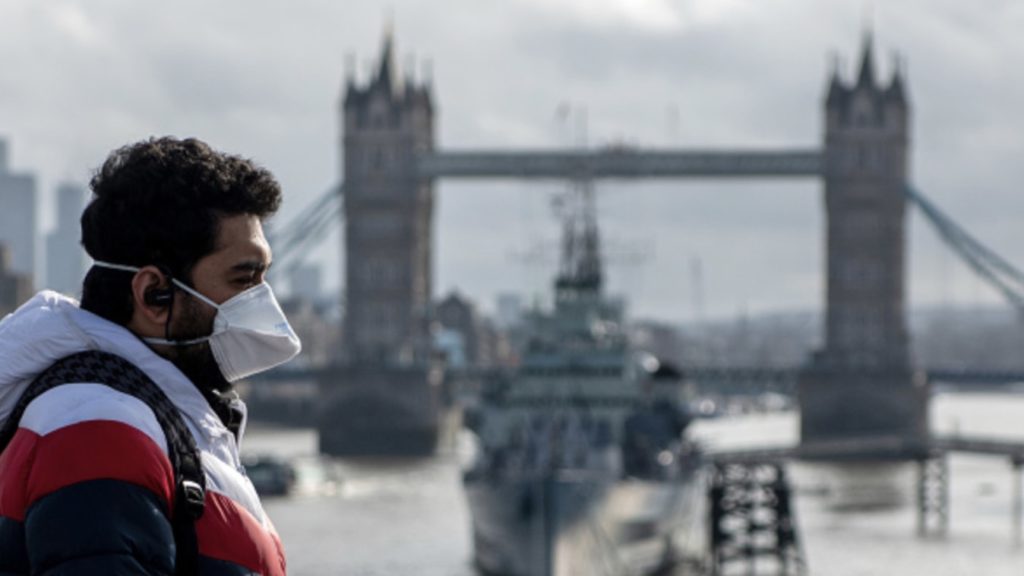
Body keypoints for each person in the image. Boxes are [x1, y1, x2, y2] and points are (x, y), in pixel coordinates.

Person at [0, 137, 299, 575]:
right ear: (153, 294)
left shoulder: (148, 415)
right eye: (243, 278)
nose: (263, 300)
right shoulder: (98, 427)